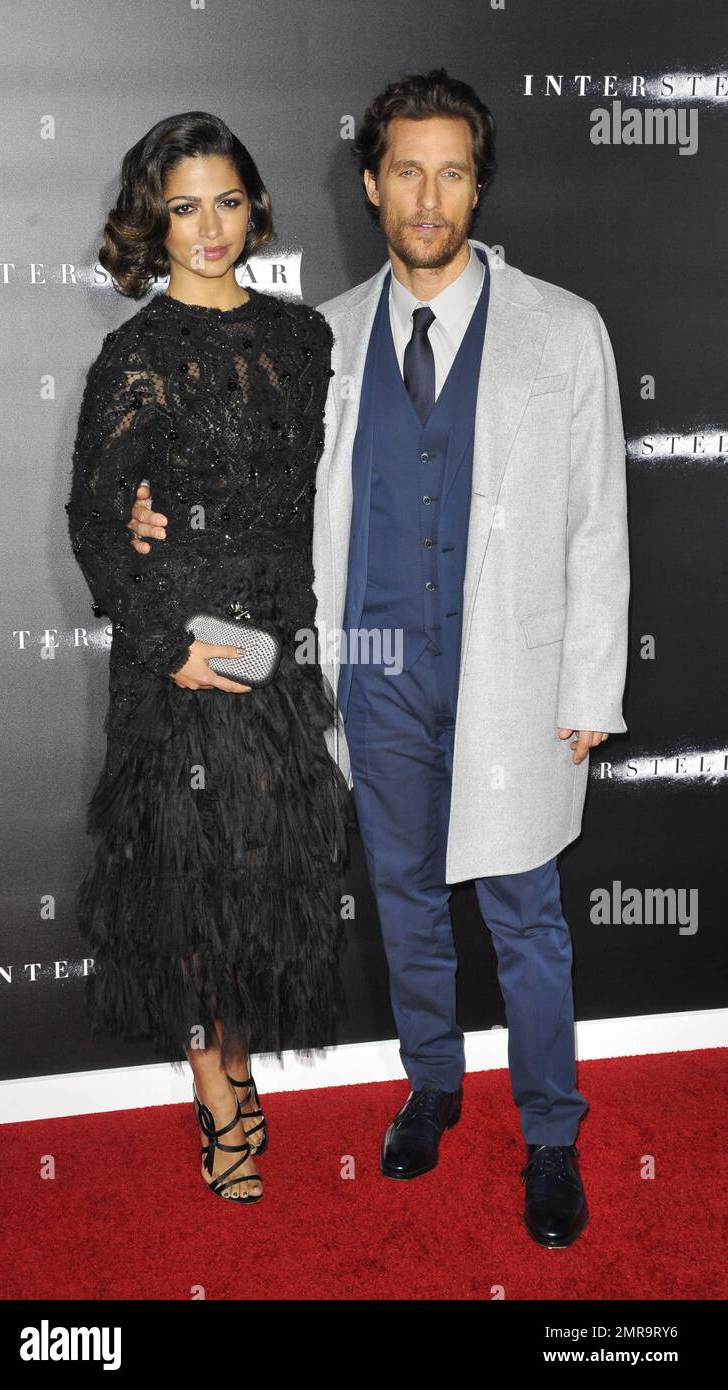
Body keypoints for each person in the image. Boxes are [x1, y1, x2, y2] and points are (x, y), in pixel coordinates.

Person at [127, 70, 630, 1248]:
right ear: (369, 182)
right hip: (373, 674)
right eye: (406, 168)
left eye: (452, 170)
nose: (428, 195)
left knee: (523, 912)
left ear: (476, 186)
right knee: (402, 896)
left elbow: (597, 517)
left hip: (513, 670)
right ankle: (433, 1085)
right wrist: (144, 508)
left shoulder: (564, 328)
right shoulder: (323, 334)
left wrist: (588, 684)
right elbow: (248, 486)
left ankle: (550, 1134)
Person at [66, 111, 355, 1205]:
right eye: (184, 206)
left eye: (226, 201)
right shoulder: (133, 357)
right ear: (155, 218)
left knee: (259, 880)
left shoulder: (302, 341)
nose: (208, 227)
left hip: (276, 662)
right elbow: (96, 522)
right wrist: (164, 642)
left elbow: (295, 507)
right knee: (185, 893)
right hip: (178, 668)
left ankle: (235, 1061)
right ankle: (216, 1090)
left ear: (254, 207)